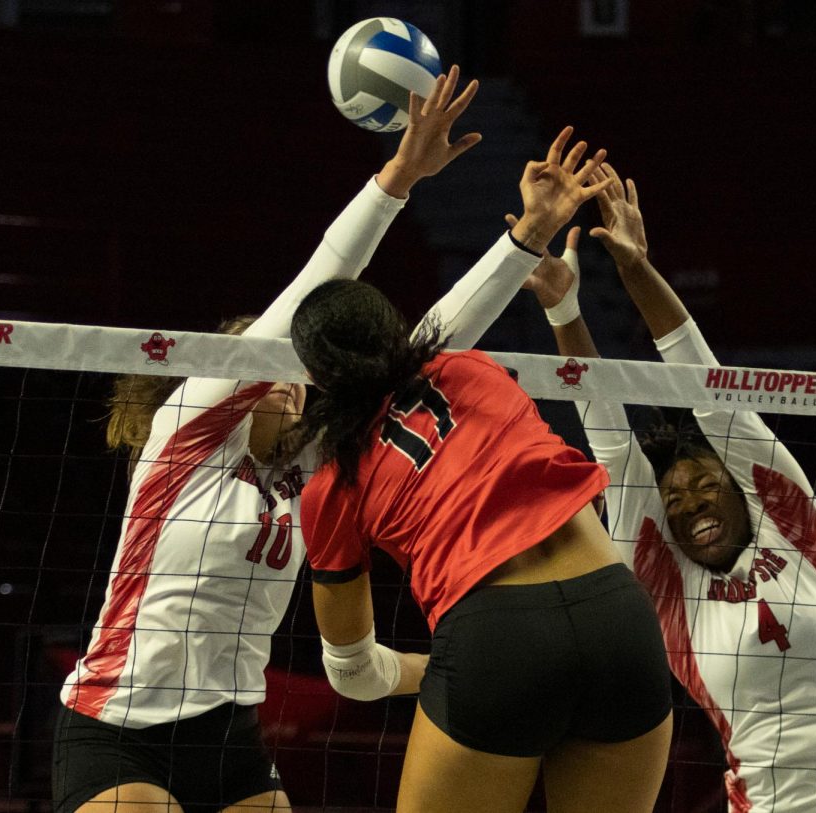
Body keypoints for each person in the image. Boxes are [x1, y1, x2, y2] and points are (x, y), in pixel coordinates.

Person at [52, 66, 550, 813]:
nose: (288, 376)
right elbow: (314, 285)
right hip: (116, 722)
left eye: (299, 372)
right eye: (268, 368)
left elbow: (426, 348)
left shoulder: (313, 464)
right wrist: (399, 176)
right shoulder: (186, 436)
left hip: (227, 731)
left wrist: (527, 239)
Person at [287, 128, 675, 813]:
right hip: (619, 616)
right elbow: (446, 331)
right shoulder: (472, 368)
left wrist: (429, 670)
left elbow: (351, 671)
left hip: (497, 636)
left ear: (316, 376)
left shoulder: (333, 484)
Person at [521, 163, 816, 812]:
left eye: (706, 485)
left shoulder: (795, 531)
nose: (691, 505)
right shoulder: (669, 587)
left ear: (741, 488)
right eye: (675, 500)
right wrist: (564, 306)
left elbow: (715, 398)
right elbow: (613, 447)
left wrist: (635, 268)